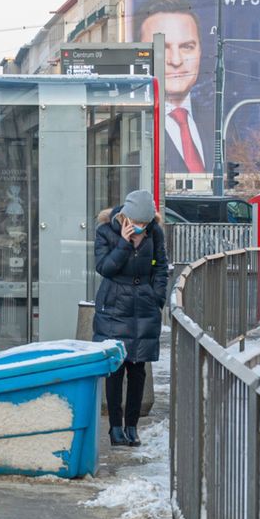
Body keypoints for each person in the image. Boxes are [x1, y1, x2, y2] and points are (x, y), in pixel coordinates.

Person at [93, 189, 168, 448]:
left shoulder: (154, 233)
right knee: (116, 370)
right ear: (125, 216)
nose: (140, 228)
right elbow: (104, 268)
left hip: (144, 307)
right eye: (136, 223)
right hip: (115, 307)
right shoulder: (106, 231)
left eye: (144, 224)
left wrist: (157, 297)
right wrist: (124, 244)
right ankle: (115, 427)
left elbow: (161, 268)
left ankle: (132, 427)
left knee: (138, 370)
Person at [136, 0, 209, 175]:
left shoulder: (223, 125)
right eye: (162, 48)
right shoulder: (132, 128)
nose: (176, 60)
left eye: (187, 47)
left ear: (200, 51)